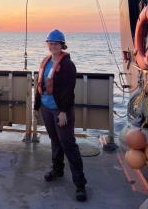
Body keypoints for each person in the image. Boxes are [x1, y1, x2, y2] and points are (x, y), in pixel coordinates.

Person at [34, 29, 87, 201]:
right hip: (46, 109)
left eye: (56, 43)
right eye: (50, 43)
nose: (52, 46)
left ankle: (80, 185)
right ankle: (57, 170)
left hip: (60, 111)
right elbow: (39, 85)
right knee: (55, 141)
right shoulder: (46, 61)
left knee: (68, 144)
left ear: (62, 45)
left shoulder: (67, 65)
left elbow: (68, 91)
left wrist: (63, 112)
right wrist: (37, 107)